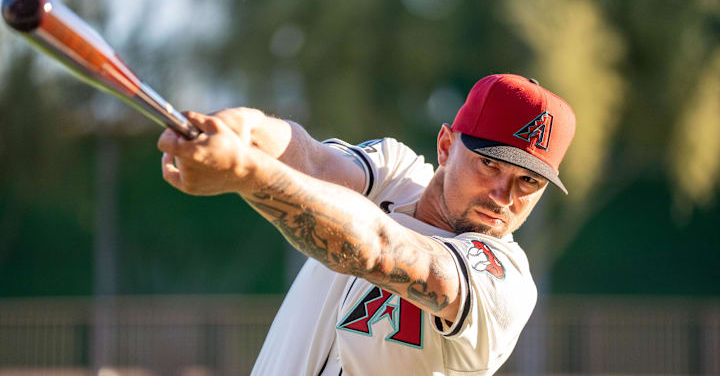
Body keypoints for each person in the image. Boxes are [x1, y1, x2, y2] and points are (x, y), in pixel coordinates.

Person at [156, 73, 576, 375]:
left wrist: (246, 171)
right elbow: (311, 158)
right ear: (446, 147)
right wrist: (243, 127)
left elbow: (378, 249)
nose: (504, 195)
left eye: (528, 180)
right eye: (488, 164)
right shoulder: (394, 170)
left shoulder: (503, 279)